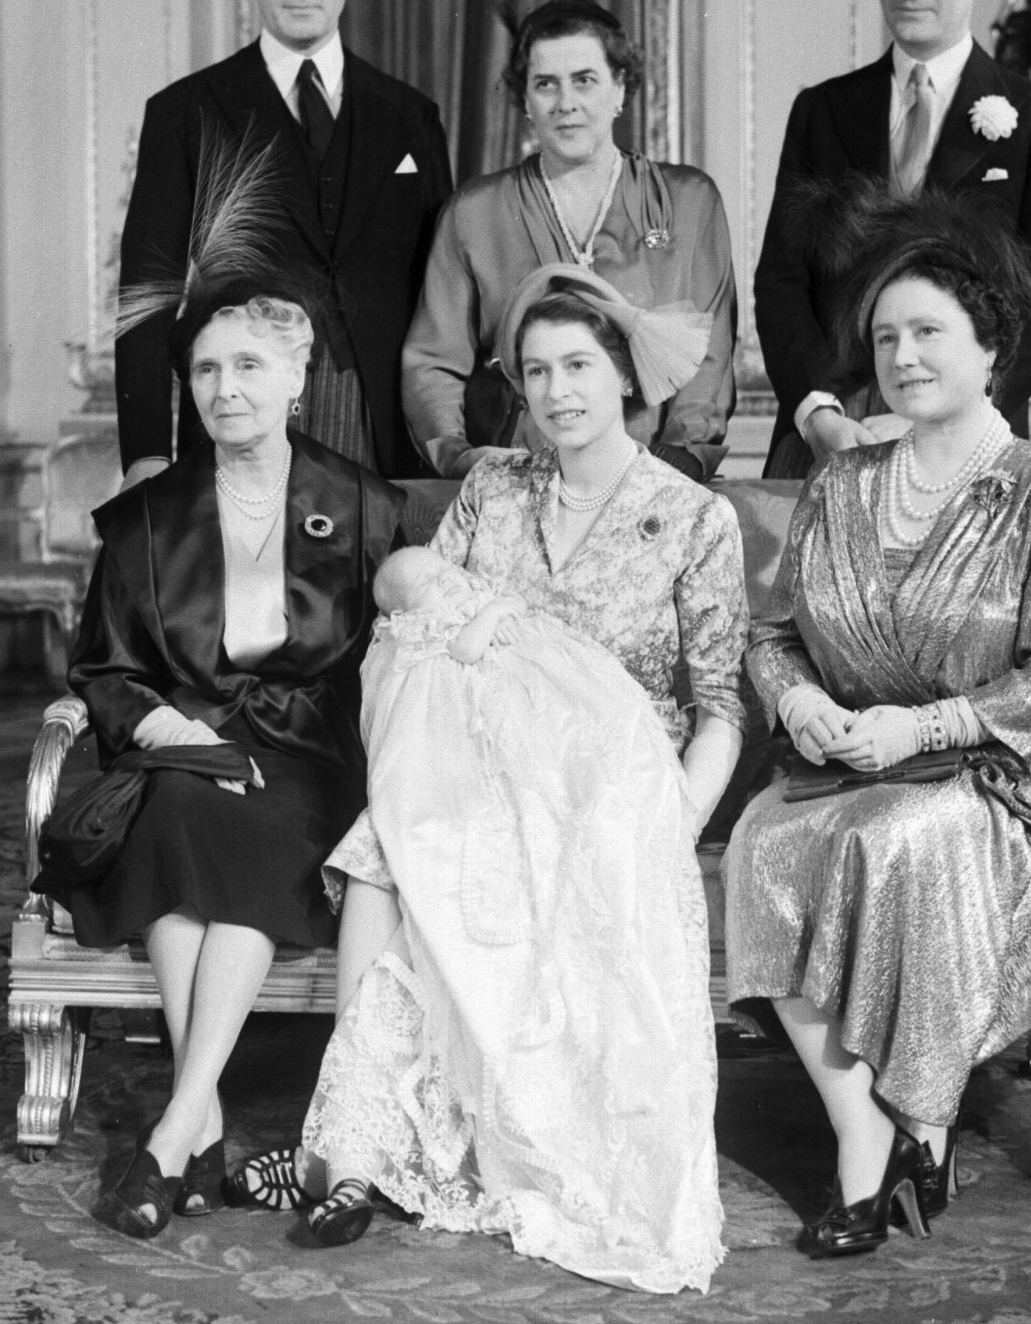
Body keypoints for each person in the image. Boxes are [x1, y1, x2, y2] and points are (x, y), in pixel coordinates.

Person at [232, 267, 749, 1293]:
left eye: (580, 368)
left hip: (611, 771)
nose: (558, 393)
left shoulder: (693, 518)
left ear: (627, 375)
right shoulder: (494, 488)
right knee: (388, 846)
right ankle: (354, 1144)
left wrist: (671, 821)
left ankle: (419, 1149)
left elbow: (720, 705)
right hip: (480, 755)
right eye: (538, 371)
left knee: (481, 853)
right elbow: (419, 619)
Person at [724, 186, 1031, 1257]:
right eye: (886, 337)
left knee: (898, 842)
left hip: (984, 783)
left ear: (992, 350)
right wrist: (799, 700)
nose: (902, 354)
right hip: (846, 764)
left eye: (929, 331)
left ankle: (904, 1135)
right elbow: (773, 633)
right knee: (762, 843)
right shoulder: (843, 484)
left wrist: (924, 730)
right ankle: (869, 1128)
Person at [37, 269, 404, 1240]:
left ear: (297, 373)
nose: (225, 387)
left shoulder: (363, 505)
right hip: (180, 751)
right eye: (205, 370)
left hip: (306, 760)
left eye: (248, 364)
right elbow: (106, 669)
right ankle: (192, 1126)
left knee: (236, 823)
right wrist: (174, 731)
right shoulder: (146, 518)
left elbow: (393, 665)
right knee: (184, 808)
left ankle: (180, 1130)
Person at [115, 0, 453, 488]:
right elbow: (147, 297)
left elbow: (445, 298)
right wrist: (145, 454)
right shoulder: (186, 113)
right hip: (237, 418)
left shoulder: (411, 116)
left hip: (382, 430)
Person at [755, 0, 1031, 477]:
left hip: (970, 434)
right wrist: (819, 412)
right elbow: (781, 282)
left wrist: (943, 408)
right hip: (835, 431)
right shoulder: (823, 111)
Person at [401, 0, 737, 483]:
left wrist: (679, 458)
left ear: (620, 88)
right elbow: (432, 361)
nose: (566, 104)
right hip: (517, 476)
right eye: (545, 85)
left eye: (585, 80)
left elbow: (709, 353)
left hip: (654, 476)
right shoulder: (475, 211)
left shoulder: (689, 201)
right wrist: (459, 456)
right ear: (525, 102)